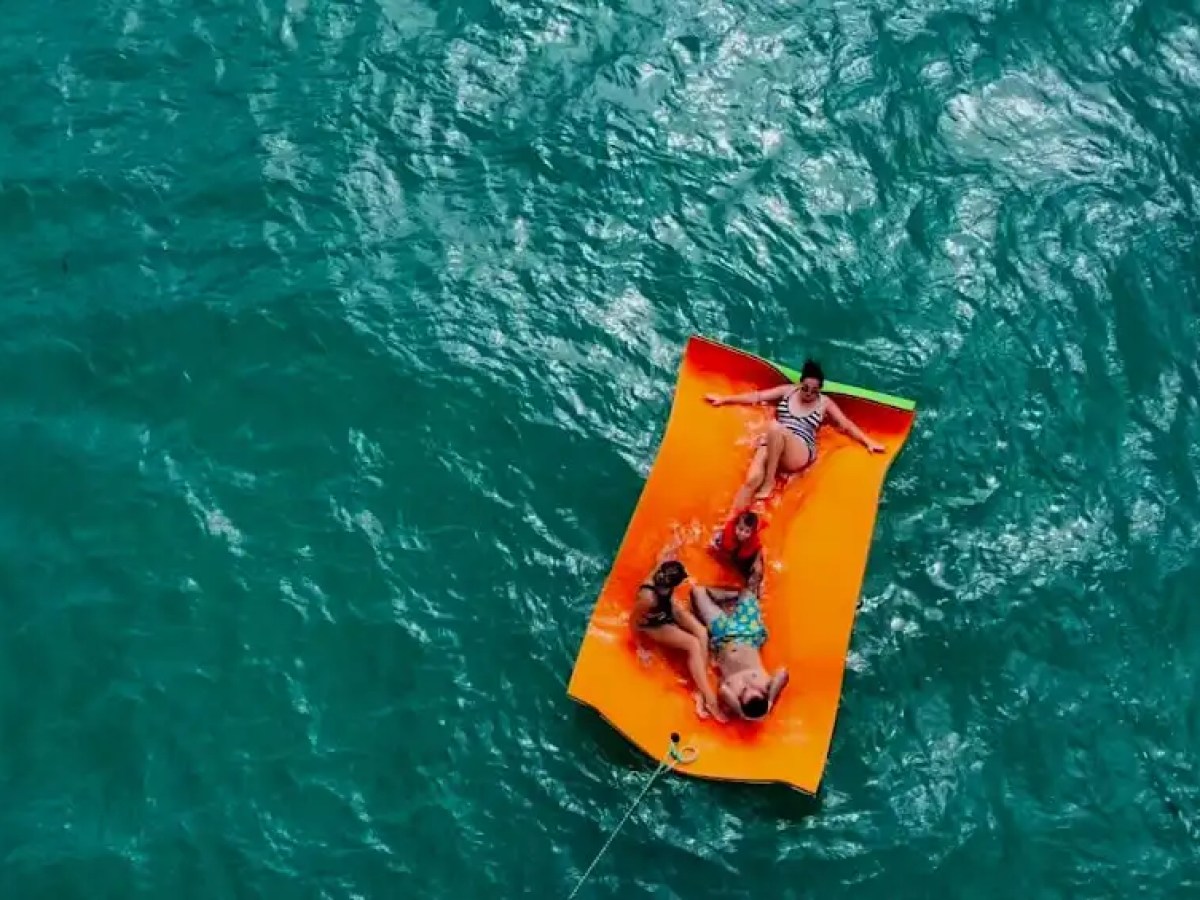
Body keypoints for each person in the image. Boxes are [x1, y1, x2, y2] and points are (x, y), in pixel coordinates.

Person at [705, 359, 885, 508]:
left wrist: (868, 441)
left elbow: (845, 424)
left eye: (814, 391)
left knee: (775, 428)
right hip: (774, 441)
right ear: (800, 383)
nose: (809, 394)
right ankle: (729, 528)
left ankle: (769, 481)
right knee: (751, 480)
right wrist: (724, 399)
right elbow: (757, 397)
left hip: (798, 450)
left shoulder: (824, 403)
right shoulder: (788, 391)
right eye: (805, 388)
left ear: (819, 390)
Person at [631, 557, 726, 721]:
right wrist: (640, 647)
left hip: (666, 609)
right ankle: (710, 700)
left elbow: (663, 556)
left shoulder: (663, 572)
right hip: (653, 624)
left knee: (702, 632)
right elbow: (633, 622)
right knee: (693, 644)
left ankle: (699, 691)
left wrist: (674, 543)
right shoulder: (648, 598)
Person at [690, 569, 789, 721]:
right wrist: (770, 702)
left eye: (744, 691)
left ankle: (728, 602)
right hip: (747, 631)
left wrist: (741, 712)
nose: (748, 686)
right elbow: (783, 673)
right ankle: (735, 598)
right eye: (754, 690)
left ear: (740, 701)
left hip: (722, 634)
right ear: (763, 693)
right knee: (748, 591)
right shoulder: (767, 685)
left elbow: (723, 691)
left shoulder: (731, 692)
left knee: (697, 593)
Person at [710, 509, 765, 584]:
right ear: (735, 526)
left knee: (754, 575)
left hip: (742, 559)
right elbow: (714, 543)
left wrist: (757, 562)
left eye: (747, 531)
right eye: (740, 529)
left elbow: (759, 549)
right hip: (729, 554)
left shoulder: (753, 542)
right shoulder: (724, 534)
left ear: (752, 533)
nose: (742, 534)